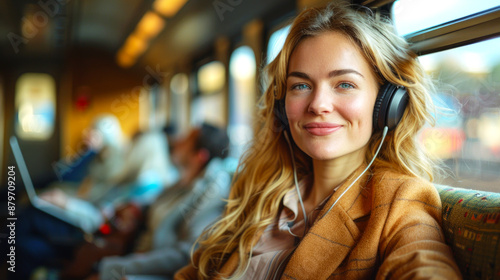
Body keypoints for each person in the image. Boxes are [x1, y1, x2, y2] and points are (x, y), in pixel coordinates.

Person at [174, 2, 462, 280]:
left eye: (345, 84)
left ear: (388, 104)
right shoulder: (262, 192)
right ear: (281, 108)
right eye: (301, 85)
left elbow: (423, 263)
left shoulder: (400, 201)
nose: (318, 105)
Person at [14, 123, 176, 280]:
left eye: (133, 146)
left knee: (28, 224)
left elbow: (102, 215)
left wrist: (67, 204)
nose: (128, 149)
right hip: (94, 232)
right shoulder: (137, 180)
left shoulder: (144, 184)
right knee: (25, 241)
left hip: (93, 235)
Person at [94, 123, 235, 280]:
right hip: (139, 255)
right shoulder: (184, 181)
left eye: (187, 139)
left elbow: (187, 255)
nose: (178, 141)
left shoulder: (213, 194)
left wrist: (119, 267)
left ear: (199, 156)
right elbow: (159, 206)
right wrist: (137, 208)